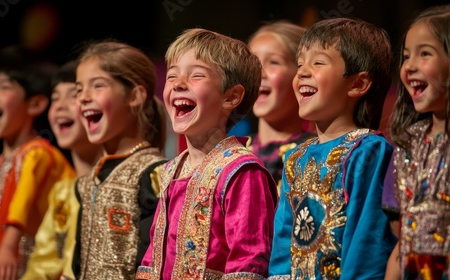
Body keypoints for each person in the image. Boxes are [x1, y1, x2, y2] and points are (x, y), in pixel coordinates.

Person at [136, 28, 278, 280]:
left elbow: (248, 260)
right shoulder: (171, 170)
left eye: (196, 75)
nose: (178, 84)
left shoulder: (242, 171)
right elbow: (154, 255)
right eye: (172, 76)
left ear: (231, 96)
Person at [268, 18, 397, 279]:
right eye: (300, 63)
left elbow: (367, 239)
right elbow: (283, 243)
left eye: (318, 62)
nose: (302, 72)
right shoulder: (295, 157)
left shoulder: (367, 150)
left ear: (358, 84)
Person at [0, 45, 75, 280]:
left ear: (34, 104)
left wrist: (6, 249)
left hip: (22, 269)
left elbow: (21, 208)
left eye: (4, 87)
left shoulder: (36, 154)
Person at [72, 40, 168, 280]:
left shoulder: (153, 174)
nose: (83, 97)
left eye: (97, 86)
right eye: (78, 89)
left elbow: (152, 263)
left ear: (134, 95)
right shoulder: (86, 183)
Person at [21, 60, 103, 280]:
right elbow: (42, 264)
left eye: (73, 95)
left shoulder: (117, 187)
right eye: (55, 97)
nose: (59, 105)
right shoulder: (63, 192)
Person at [385, 5, 449, 279]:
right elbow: (403, 239)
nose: (409, 66)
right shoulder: (407, 144)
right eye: (407, 55)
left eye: (425, 54)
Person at [247, 20, 316, 191]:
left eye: (274, 62)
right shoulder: (232, 152)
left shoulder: (314, 154)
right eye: (251, 63)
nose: (258, 72)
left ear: (301, 75)